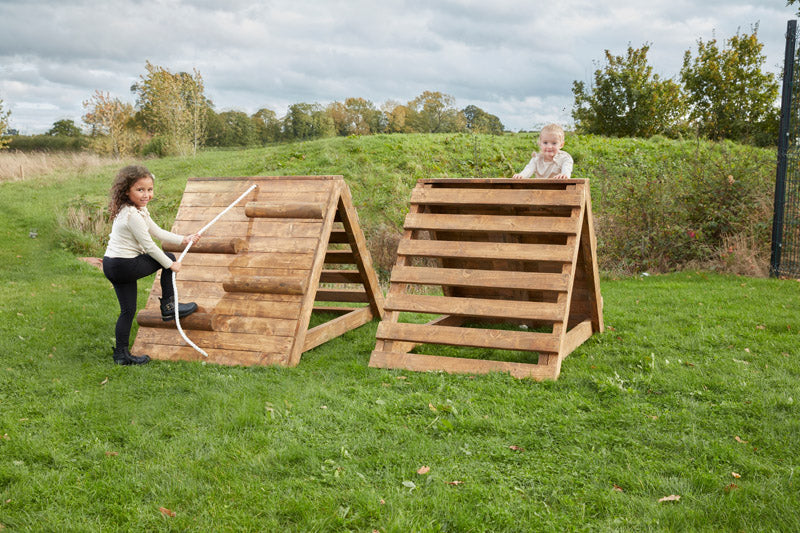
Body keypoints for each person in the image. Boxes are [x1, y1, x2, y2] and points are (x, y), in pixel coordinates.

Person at [102, 165, 201, 365]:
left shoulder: (135, 210)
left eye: (149, 189)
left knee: (127, 311)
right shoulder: (132, 216)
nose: (146, 194)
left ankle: (121, 355)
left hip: (112, 265)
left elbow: (157, 231)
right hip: (123, 265)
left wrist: (184, 239)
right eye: (140, 190)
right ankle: (169, 307)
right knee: (169, 258)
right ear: (126, 191)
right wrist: (170, 265)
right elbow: (150, 247)